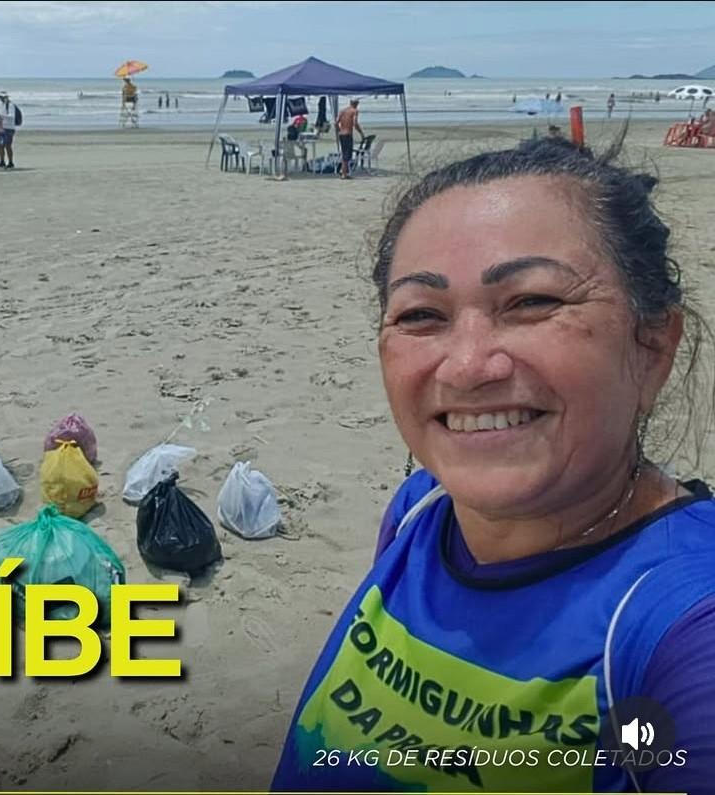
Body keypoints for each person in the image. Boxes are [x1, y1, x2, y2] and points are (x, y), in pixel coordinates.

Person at [272, 135, 715, 793]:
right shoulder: (420, 511)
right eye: (422, 314)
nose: (470, 365)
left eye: (532, 302)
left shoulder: (676, 624)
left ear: (653, 345)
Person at [336, 98, 364, 180]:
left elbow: (336, 122)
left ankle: (344, 171)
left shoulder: (342, 111)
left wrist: (339, 130)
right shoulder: (354, 111)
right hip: (348, 134)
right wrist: (361, 133)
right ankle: (344, 173)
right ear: (356, 104)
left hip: (341, 134)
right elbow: (355, 123)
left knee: (345, 153)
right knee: (347, 155)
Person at [0, 90, 18, 169]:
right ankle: (2, 161)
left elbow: (11, 116)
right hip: (2, 128)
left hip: (9, 128)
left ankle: (10, 162)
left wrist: (1, 116)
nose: (0, 99)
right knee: (0, 145)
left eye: (1, 97)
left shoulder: (10, 105)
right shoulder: (3, 105)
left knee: (8, 145)